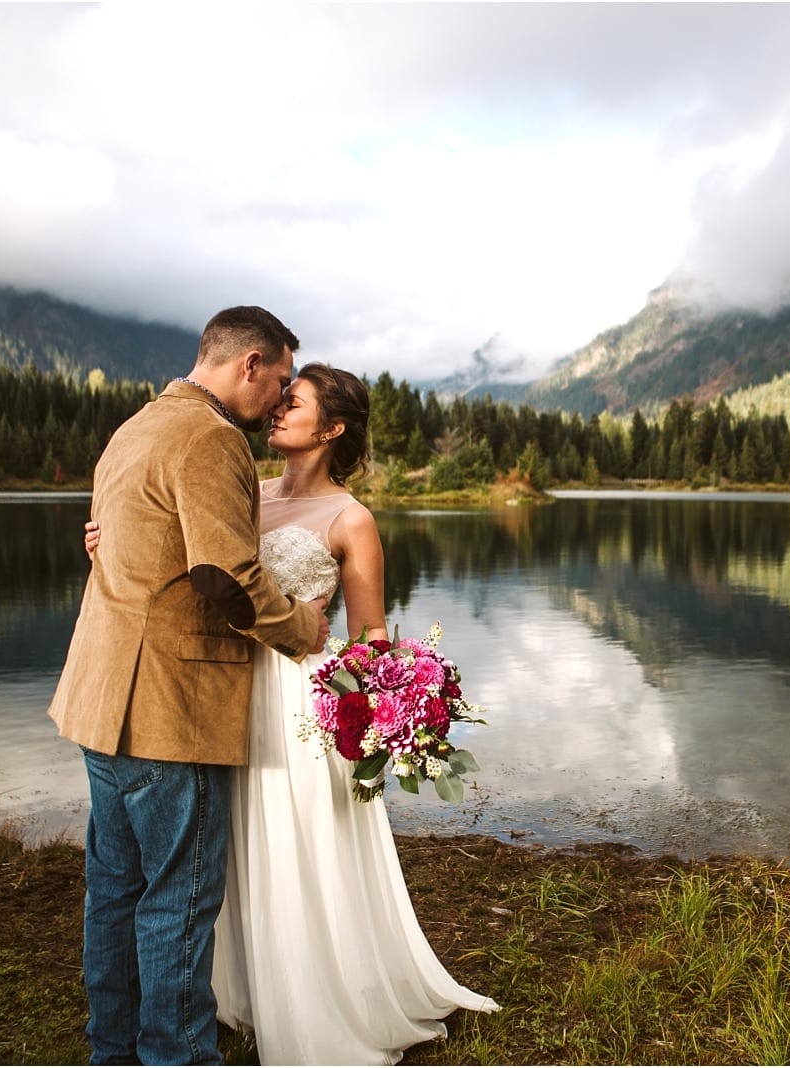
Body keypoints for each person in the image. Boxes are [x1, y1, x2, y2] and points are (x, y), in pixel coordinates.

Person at [85, 362, 497, 1065]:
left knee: (299, 847)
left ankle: (313, 999)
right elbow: (187, 562)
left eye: (294, 402)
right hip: (219, 688)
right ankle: (234, 990)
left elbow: (370, 635)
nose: (276, 409)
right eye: (278, 396)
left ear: (332, 428)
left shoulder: (351, 518)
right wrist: (110, 545)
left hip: (303, 704)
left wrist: (390, 714)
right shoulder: (244, 487)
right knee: (222, 849)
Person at [48, 306, 332, 1066]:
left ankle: (113, 1052)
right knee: (179, 898)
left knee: (114, 890)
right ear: (249, 364)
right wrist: (304, 629)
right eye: (277, 381)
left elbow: (119, 545)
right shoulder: (210, 438)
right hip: (169, 706)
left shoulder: (137, 425)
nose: (279, 399)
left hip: (99, 697)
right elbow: (226, 578)